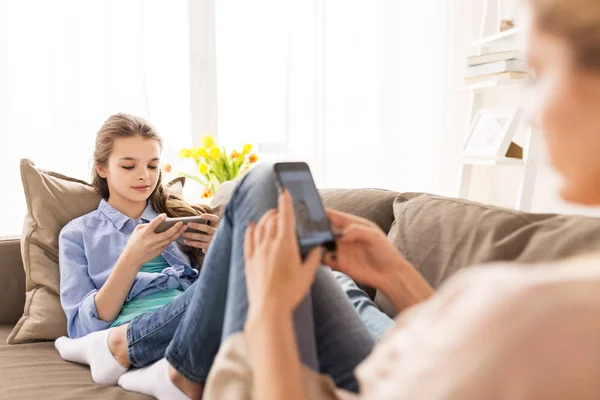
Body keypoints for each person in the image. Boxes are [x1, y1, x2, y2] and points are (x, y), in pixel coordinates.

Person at [197, 0, 600, 398]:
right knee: (299, 236)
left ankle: (168, 362)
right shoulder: (544, 309)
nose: (530, 115)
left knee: (264, 190)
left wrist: (269, 314)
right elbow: (469, 364)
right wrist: (397, 277)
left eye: (540, 75)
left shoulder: (541, 313)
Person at [55, 113, 392, 399]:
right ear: (101, 168)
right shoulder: (78, 234)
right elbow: (83, 327)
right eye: (128, 166)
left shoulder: (184, 215)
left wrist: (219, 248)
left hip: (201, 322)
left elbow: (217, 290)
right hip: (143, 324)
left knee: (328, 274)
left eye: (153, 165)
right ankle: (139, 352)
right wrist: (130, 259)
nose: (144, 176)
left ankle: (396, 355)